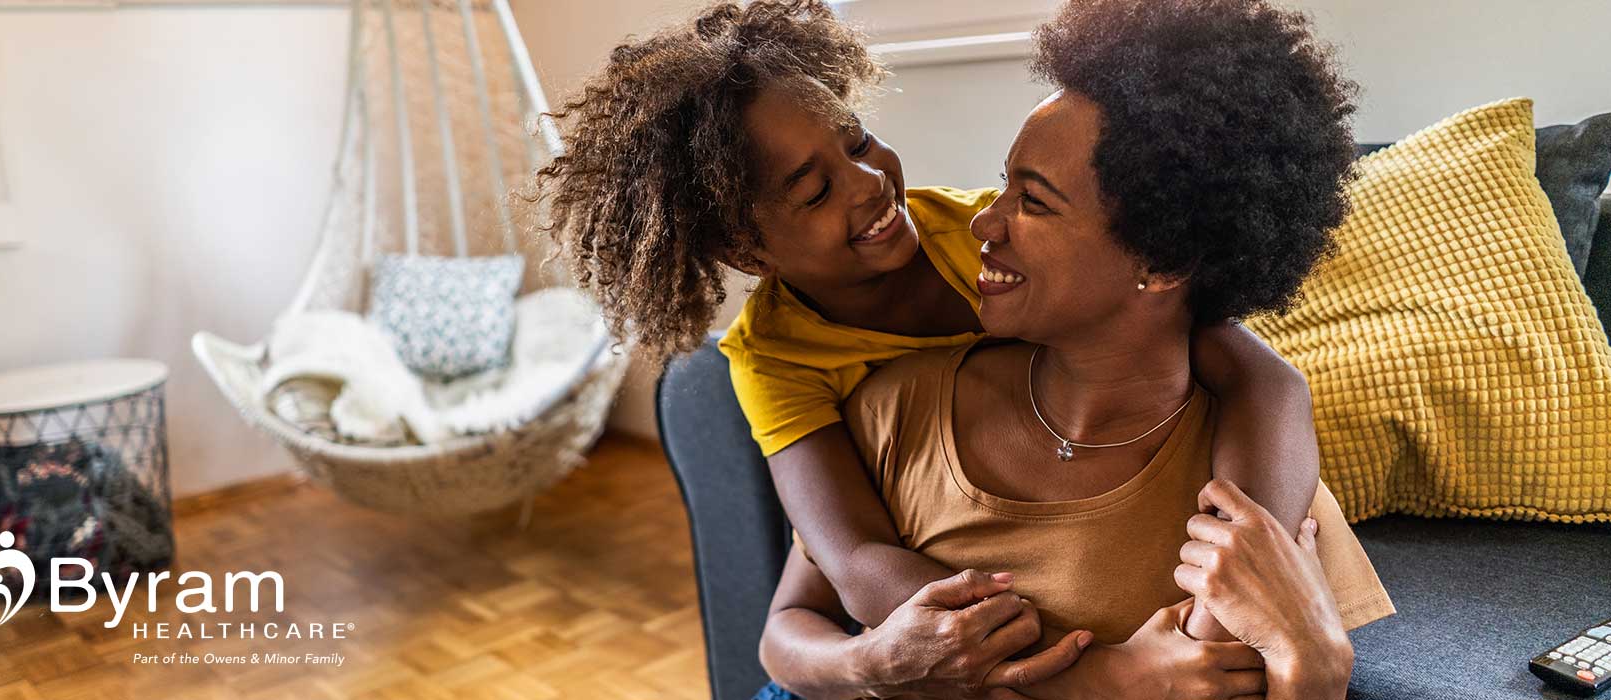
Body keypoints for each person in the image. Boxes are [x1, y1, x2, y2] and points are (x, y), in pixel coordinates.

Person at [534, 0, 1335, 689]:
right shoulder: (785, 362)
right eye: (813, 191)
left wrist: (1244, 563)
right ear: (750, 253)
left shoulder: (976, 238)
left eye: (856, 143)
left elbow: (1265, 379)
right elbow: (850, 565)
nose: (870, 184)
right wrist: (1083, 677)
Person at [754, 0, 1392, 697]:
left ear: (1163, 261)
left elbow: (1272, 384)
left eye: (1033, 201)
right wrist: (876, 665)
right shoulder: (891, 405)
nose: (981, 223)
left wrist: (1317, 666)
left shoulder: (1260, 493)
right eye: (1003, 184)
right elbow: (792, 629)